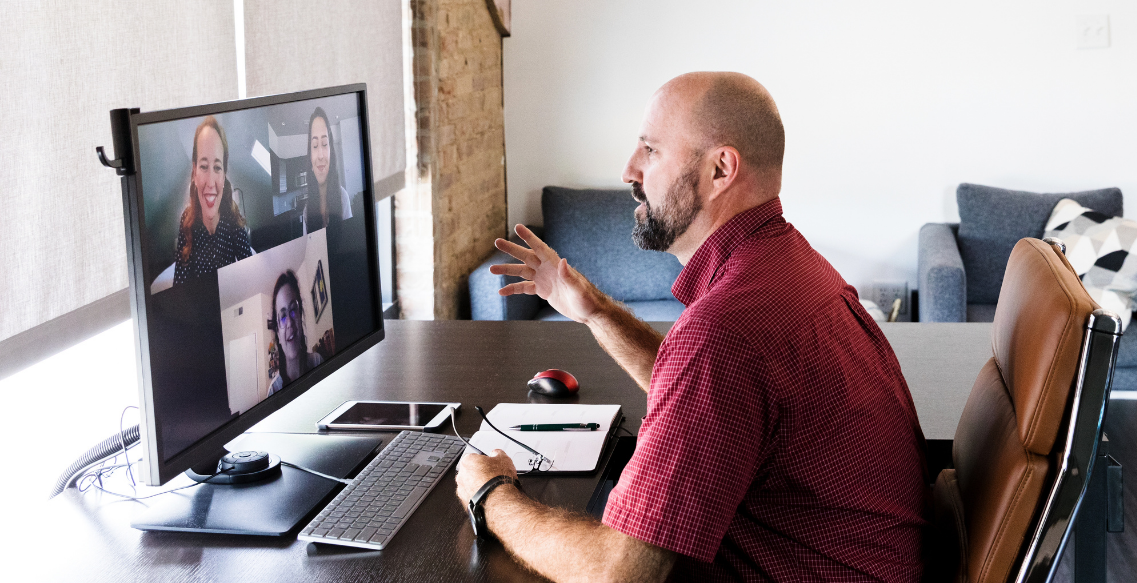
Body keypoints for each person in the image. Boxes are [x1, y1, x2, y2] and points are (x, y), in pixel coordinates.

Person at [455, 72, 928, 581]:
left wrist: (491, 494)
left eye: (651, 150)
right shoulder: (791, 267)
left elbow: (621, 574)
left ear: (720, 168)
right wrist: (595, 311)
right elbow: (715, 396)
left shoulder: (724, 331)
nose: (628, 170)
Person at [173, 116, 253, 284]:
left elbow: (250, 277)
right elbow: (180, 284)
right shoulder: (186, 220)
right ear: (195, 172)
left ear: (224, 176)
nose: (210, 182)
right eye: (203, 166)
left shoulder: (233, 219)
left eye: (217, 167)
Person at [267, 269, 326, 395]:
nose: (289, 322)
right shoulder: (273, 391)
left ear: (300, 315)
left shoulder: (318, 362)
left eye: (293, 309)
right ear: (278, 333)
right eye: (283, 316)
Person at [301, 107, 352, 234]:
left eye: (324, 144)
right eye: (314, 146)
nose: (320, 155)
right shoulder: (307, 211)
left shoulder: (343, 198)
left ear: (331, 154)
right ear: (310, 159)